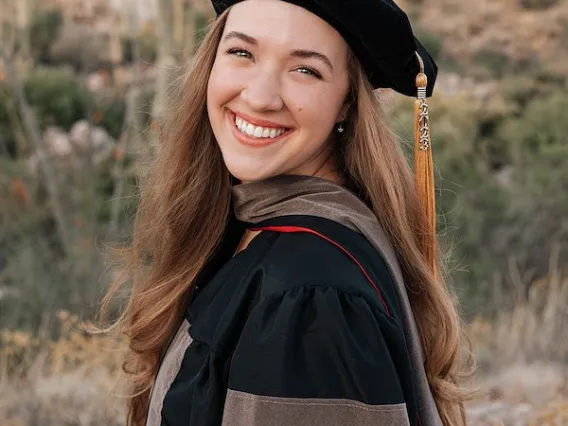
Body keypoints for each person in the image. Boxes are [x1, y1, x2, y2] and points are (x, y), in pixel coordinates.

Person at [99, 1, 476, 425]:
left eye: (305, 70)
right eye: (242, 53)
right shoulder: (267, 233)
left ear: (347, 103)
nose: (259, 97)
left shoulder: (309, 300)